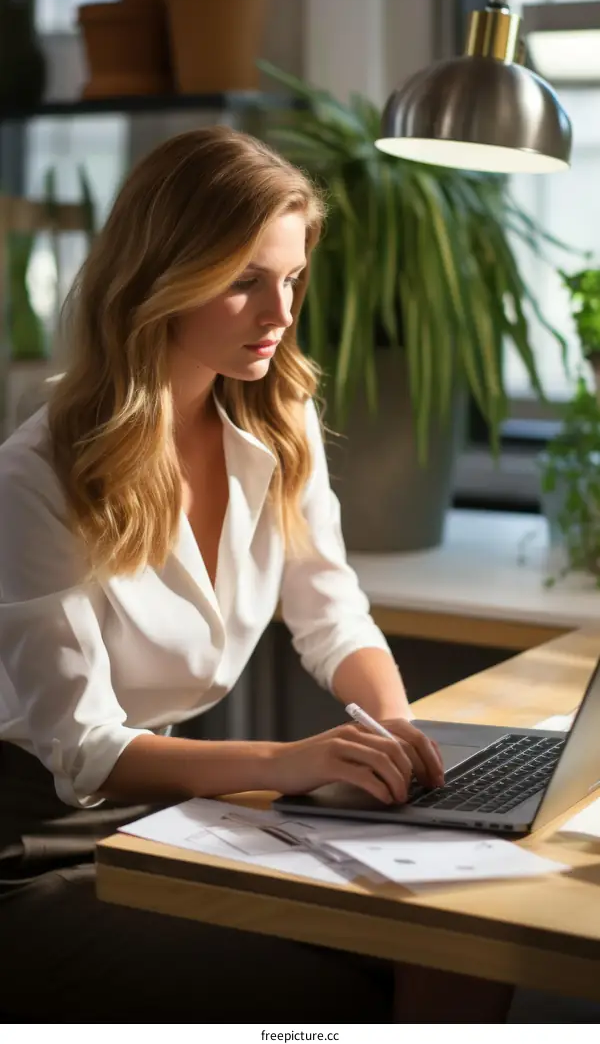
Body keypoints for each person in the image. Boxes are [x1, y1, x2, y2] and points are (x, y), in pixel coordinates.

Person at [0, 127, 512, 1024]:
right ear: (160, 276)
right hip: (32, 838)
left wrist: (396, 734)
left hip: (169, 814)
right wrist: (297, 761)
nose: (278, 311)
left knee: (462, 937)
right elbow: (86, 753)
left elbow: (333, 615)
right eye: (243, 281)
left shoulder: (277, 419)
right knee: (351, 984)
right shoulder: (35, 478)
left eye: (290, 278)